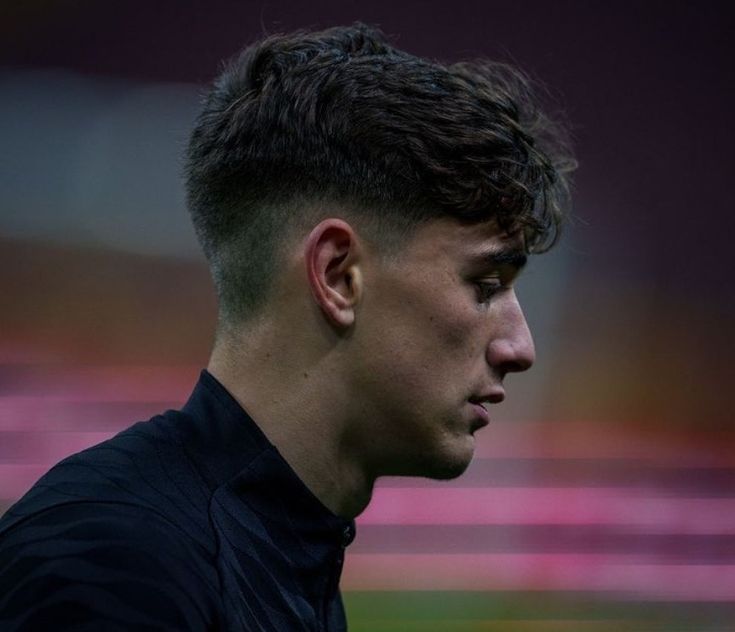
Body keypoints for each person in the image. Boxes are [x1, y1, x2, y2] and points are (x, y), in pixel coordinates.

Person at [0, 22, 573, 631]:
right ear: (337, 275)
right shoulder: (117, 570)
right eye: (485, 285)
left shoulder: (280, 554)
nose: (520, 347)